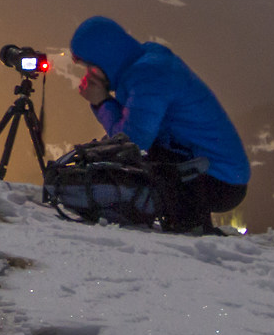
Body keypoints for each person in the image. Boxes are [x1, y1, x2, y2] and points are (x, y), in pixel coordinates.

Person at [70, 15, 250, 232]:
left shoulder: (149, 75)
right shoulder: (143, 64)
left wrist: (102, 102)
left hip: (218, 180)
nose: (89, 74)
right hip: (210, 168)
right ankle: (187, 224)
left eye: (89, 67)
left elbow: (132, 143)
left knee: (136, 165)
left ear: (103, 61)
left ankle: (191, 229)